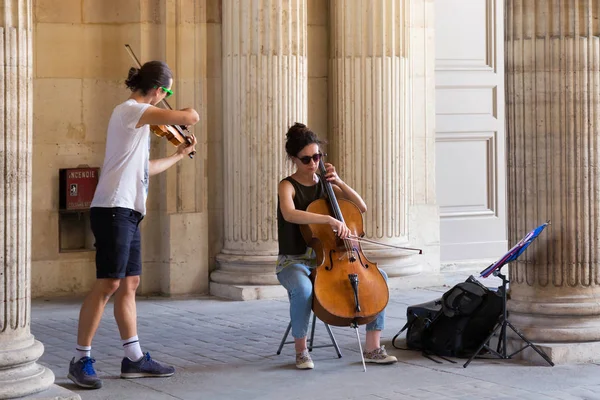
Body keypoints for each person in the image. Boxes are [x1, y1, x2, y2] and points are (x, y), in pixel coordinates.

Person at [67, 61, 199, 389]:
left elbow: (144, 169)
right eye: (166, 91)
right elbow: (190, 116)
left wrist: (179, 155)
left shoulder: (140, 123)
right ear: (158, 90)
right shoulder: (130, 111)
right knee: (109, 283)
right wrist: (183, 113)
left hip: (128, 211)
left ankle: (134, 359)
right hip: (112, 208)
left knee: (130, 283)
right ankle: (80, 358)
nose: (165, 97)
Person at [276, 122, 398, 369]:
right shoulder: (287, 185)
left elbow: (360, 207)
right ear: (293, 159)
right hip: (295, 260)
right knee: (303, 289)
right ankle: (301, 352)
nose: (313, 164)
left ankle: (373, 347)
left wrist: (340, 182)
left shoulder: (326, 185)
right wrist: (328, 219)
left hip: (333, 260)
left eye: (317, 157)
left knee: (379, 277)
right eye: (306, 159)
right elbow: (290, 214)